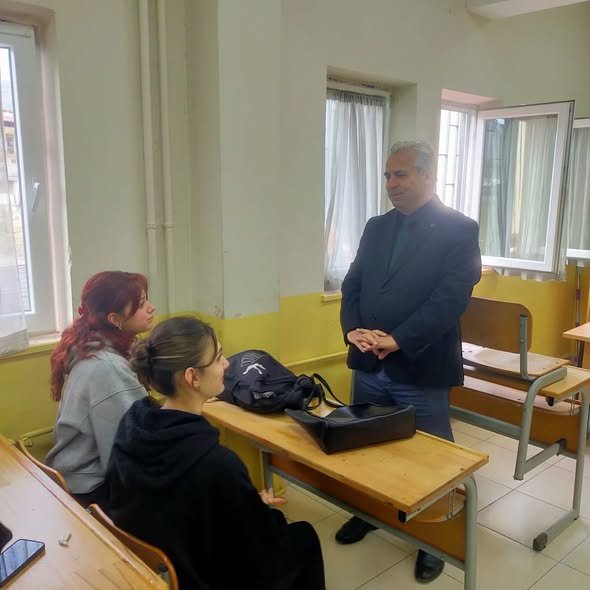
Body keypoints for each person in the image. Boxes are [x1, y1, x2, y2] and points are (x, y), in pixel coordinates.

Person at [335, 140, 481, 583]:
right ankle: (371, 511)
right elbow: (352, 284)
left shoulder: (459, 229)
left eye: (401, 174)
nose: (391, 183)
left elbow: (450, 299)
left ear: (428, 175)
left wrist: (400, 339)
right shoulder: (377, 226)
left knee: (430, 458)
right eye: (387, 175)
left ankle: (432, 538)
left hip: (420, 364)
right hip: (369, 363)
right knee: (368, 445)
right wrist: (352, 330)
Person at [106, 316, 325, 590]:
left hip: (161, 566)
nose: (227, 364)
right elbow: (259, 552)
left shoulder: (132, 427)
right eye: (219, 357)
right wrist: (260, 510)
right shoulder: (217, 464)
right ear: (192, 377)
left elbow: (166, 505)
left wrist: (242, 501)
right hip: (206, 576)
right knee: (304, 536)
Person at [45, 271, 155, 506]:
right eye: (141, 304)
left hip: (76, 476)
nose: (151, 308)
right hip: (89, 489)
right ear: (115, 319)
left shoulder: (94, 348)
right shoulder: (108, 368)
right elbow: (127, 454)